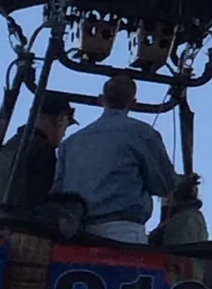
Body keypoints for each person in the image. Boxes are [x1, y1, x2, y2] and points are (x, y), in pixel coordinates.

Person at [51, 73, 177, 245]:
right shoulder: (142, 134)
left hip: (76, 235)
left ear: (100, 100)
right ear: (133, 103)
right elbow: (165, 185)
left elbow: (57, 192)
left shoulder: (70, 143)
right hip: (124, 233)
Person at [0, 91, 76, 217]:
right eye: (65, 127)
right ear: (60, 120)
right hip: (21, 229)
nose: (63, 135)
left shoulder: (6, 147)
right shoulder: (43, 152)